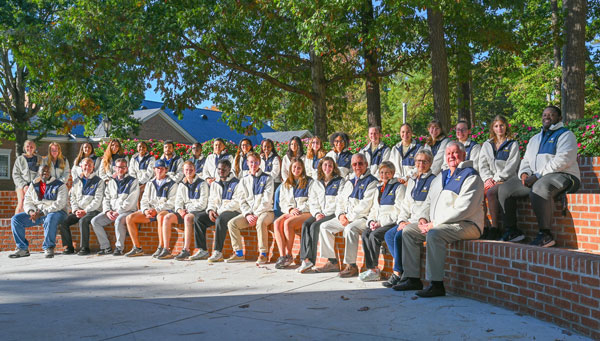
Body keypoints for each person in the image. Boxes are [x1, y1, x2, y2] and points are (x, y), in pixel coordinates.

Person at [398, 141, 484, 297]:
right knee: (409, 231)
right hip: (440, 224)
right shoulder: (441, 176)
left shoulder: (471, 176)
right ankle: (412, 278)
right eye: (448, 153)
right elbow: (429, 201)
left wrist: (434, 224)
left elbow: (463, 210)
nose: (451, 156)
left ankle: (436, 285)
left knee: (435, 234)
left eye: (455, 152)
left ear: (464, 155)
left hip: (467, 225)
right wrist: (423, 218)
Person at [498, 106, 580, 247]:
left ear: (559, 118)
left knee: (539, 187)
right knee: (505, 189)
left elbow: (563, 160)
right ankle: (512, 231)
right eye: (544, 115)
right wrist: (524, 173)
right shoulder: (535, 139)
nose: (547, 117)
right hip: (537, 177)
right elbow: (527, 161)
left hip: (564, 175)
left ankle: (545, 234)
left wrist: (537, 175)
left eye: (551, 114)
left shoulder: (566, 135)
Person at [315, 153, 378, 277]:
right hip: (346, 217)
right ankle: (332, 262)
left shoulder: (372, 182)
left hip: (363, 218)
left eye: (360, 163)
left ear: (366, 164)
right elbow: (340, 201)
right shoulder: (350, 181)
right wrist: (340, 215)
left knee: (350, 229)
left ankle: (351, 265)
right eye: (354, 164)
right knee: (324, 226)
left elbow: (365, 206)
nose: (357, 166)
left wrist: (348, 218)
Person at [383, 150, 435, 289]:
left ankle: (399, 273)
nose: (421, 164)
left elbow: (429, 205)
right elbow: (405, 204)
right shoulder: (412, 181)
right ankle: (403, 269)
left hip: (421, 222)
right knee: (389, 234)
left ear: (430, 163)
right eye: (418, 161)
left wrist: (410, 223)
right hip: (408, 220)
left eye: (424, 161)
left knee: (400, 235)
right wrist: (401, 221)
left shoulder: (434, 180)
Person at [297, 157, 345, 273]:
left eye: (330, 165)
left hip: (332, 213)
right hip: (320, 213)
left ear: (333, 167)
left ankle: (313, 261)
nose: (327, 168)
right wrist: (317, 213)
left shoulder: (339, 181)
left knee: (314, 227)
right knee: (306, 224)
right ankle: (305, 259)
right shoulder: (316, 182)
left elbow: (340, 200)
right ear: (321, 167)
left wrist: (326, 213)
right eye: (325, 165)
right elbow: (313, 201)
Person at [9, 165, 68, 259]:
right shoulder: (34, 184)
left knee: (50, 217)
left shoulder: (60, 185)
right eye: (43, 171)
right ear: (38, 173)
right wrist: (31, 212)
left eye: (47, 171)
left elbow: (60, 204)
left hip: (57, 213)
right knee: (16, 219)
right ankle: (22, 249)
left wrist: (42, 213)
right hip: (38, 213)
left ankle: (49, 247)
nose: (45, 173)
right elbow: (27, 201)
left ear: (50, 172)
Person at [226, 152, 274, 264]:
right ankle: (238, 254)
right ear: (247, 163)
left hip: (266, 212)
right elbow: (241, 200)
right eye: (251, 162)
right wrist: (247, 214)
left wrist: (256, 215)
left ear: (260, 163)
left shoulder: (267, 178)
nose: (253, 164)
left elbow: (266, 201)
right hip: (249, 214)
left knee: (261, 222)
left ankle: (263, 254)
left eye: (256, 162)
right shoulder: (244, 180)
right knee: (232, 223)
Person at [359, 161, 403, 282]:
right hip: (378, 222)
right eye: (382, 172)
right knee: (365, 233)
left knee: (374, 235)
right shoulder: (378, 189)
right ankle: (372, 269)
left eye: (387, 173)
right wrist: (372, 222)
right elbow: (374, 209)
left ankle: (374, 271)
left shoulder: (398, 187)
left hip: (391, 223)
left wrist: (380, 223)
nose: (384, 175)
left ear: (393, 173)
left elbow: (398, 211)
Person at [478, 115, 520, 240]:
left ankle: (495, 228)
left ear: (506, 126)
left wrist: (497, 179)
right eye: (496, 126)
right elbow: (483, 164)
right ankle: (483, 227)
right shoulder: (487, 145)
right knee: (478, 193)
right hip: (490, 180)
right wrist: (487, 179)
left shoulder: (512, 144)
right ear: (493, 128)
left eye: (501, 125)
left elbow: (512, 166)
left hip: (507, 180)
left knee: (490, 192)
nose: (499, 128)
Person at [125, 159, 177, 257]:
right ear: (154, 169)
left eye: (162, 168)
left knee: (160, 216)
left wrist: (156, 210)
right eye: (157, 168)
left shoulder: (172, 183)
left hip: (164, 211)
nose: (160, 170)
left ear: (166, 170)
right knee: (129, 218)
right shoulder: (150, 183)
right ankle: (137, 248)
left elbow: (171, 202)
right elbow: (144, 200)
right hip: (151, 211)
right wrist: (145, 211)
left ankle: (161, 247)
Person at [159, 161, 209, 260]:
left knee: (187, 218)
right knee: (167, 217)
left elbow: (202, 204)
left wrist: (187, 210)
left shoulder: (202, 183)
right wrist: (179, 210)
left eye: (191, 169)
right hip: (184, 211)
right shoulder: (182, 184)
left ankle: (186, 250)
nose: (189, 171)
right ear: (183, 171)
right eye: (186, 170)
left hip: (197, 211)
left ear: (195, 170)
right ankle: (166, 249)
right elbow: (178, 202)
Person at [91, 158, 139, 255]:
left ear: (126, 168)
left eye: (122, 167)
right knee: (95, 221)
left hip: (127, 211)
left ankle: (119, 248)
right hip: (112, 212)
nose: (120, 169)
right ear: (115, 168)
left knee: (119, 220)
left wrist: (118, 212)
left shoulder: (133, 181)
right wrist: (107, 211)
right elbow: (106, 198)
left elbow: (130, 201)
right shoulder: (111, 182)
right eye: (118, 167)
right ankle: (106, 247)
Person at [273, 158, 314, 269]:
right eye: (294, 167)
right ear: (290, 168)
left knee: (288, 223)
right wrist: (290, 210)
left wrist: (298, 210)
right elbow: (282, 202)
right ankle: (282, 256)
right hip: (291, 211)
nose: (296, 169)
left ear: (303, 169)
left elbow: (312, 201)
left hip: (306, 211)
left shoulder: (309, 182)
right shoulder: (286, 183)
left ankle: (289, 255)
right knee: (277, 223)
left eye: (299, 167)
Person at [58, 158, 104, 255]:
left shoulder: (99, 181)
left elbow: (97, 201)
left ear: (93, 167)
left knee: (83, 221)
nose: (87, 167)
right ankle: (68, 247)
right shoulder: (76, 181)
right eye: (85, 165)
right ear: (81, 167)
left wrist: (85, 211)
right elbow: (72, 198)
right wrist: (75, 210)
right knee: (64, 222)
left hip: (93, 211)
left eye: (90, 165)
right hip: (79, 210)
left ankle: (84, 248)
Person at [205, 159, 243, 262]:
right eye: (219, 169)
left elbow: (236, 203)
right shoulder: (215, 183)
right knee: (199, 218)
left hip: (234, 211)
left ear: (229, 169)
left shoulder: (237, 183)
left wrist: (219, 211)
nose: (221, 171)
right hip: (218, 212)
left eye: (224, 169)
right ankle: (202, 250)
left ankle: (218, 252)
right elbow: (211, 199)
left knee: (221, 219)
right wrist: (210, 210)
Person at [12, 140, 42, 214]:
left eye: (31, 147)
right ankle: (16, 223)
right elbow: (15, 174)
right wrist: (24, 185)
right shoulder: (20, 159)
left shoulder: (39, 159)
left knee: (36, 204)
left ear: (34, 148)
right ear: (24, 148)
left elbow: (41, 173)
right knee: (21, 202)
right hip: (21, 185)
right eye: (27, 146)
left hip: (35, 185)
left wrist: (33, 185)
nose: (29, 148)